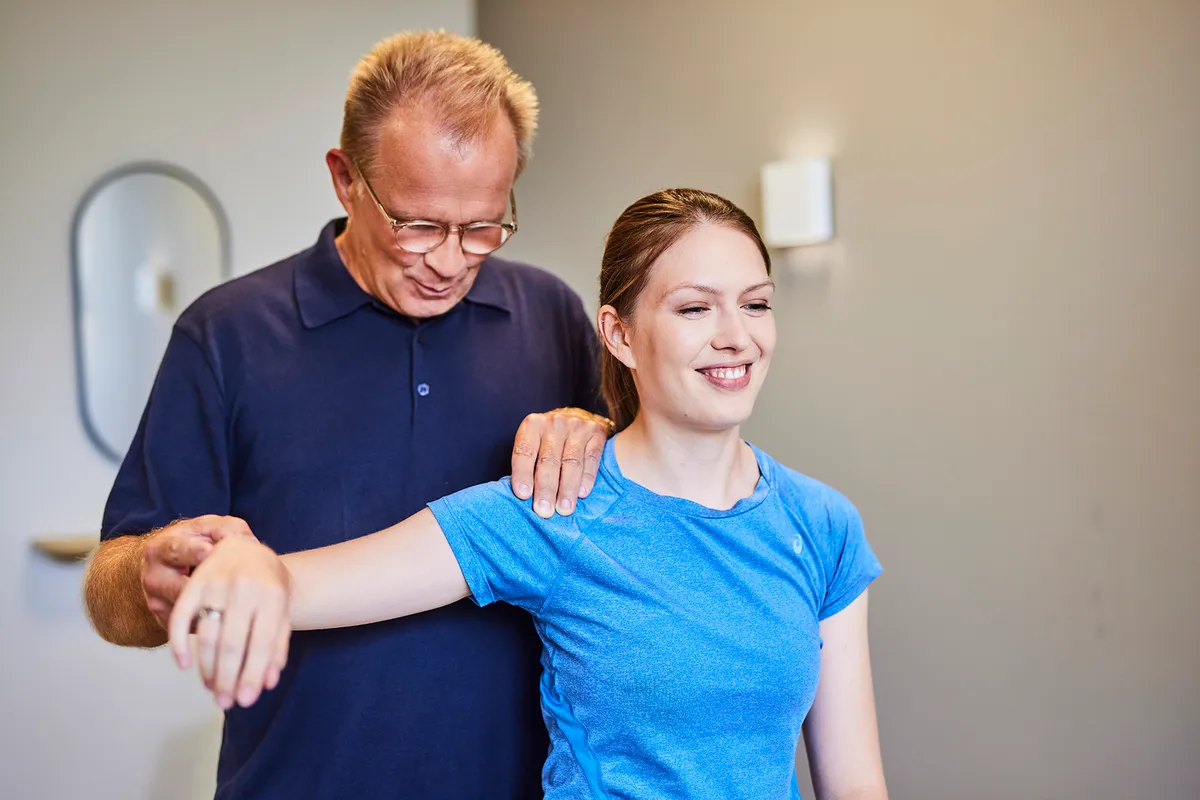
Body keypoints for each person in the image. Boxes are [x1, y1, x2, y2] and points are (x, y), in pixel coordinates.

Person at [170, 188, 889, 800]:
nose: (737, 337)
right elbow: (302, 584)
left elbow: (854, 784)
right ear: (620, 335)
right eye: (695, 310)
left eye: (756, 304)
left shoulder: (822, 524)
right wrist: (243, 562)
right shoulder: (555, 507)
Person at [81, 31, 613, 800]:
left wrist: (597, 437)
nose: (451, 261)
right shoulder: (227, 334)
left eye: (484, 226)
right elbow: (111, 593)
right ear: (344, 179)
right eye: (418, 225)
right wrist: (153, 570)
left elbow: (627, 533)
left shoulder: (551, 317)